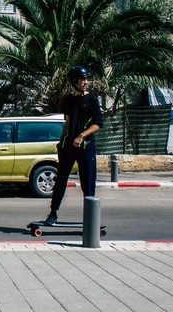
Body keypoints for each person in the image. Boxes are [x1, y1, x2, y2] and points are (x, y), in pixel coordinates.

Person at [45, 66, 103, 226]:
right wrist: (61, 141)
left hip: (86, 145)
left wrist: (81, 136)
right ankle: (53, 213)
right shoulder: (68, 100)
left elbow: (98, 124)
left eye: (86, 79)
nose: (86, 82)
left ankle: (90, 218)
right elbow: (68, 122)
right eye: (82, 79)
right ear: (74, 82)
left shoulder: (92, 100)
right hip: (69, 145)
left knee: (88, 182)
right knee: (61, 179)